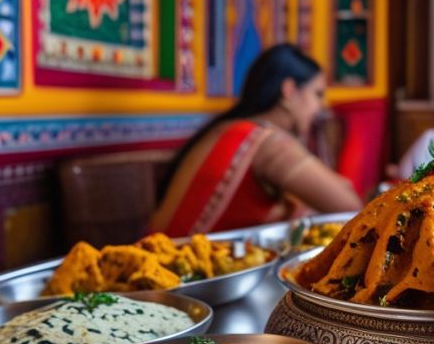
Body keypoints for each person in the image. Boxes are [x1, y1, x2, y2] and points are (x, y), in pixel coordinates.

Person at [151, 44, 363, 236]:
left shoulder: (231, 128)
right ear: (288, 91)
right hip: (178, 274)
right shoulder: (266, 142)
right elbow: (350, 207)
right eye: (317, 94)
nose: (322, 106)